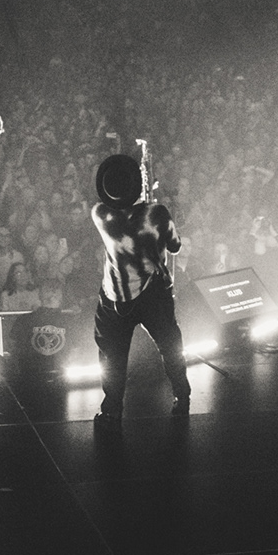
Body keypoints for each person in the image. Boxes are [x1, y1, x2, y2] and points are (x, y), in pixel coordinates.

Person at [90, 139, 190, 431]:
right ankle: (182, 397)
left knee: (111, 356)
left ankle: (111, 412)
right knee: (170, 346)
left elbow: (125, 210)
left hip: (115, 297)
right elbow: (175, 246)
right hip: (153, 293)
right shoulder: (157, 214)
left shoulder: (100, 214)